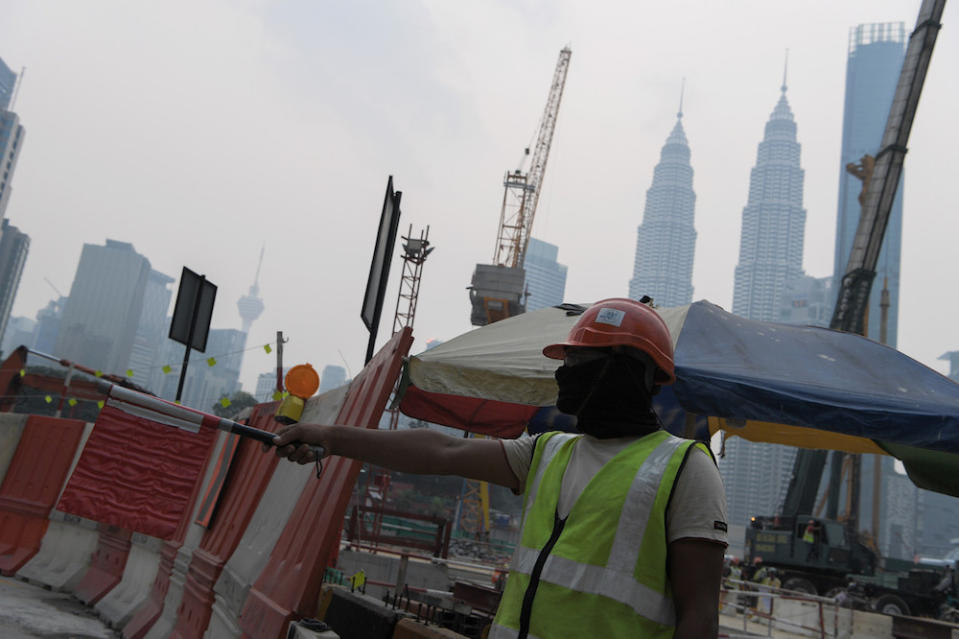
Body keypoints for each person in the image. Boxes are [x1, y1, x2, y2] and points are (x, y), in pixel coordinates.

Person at [270, 298, 728, 638]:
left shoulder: (684, 468)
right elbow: (440, 452)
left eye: (578, 362)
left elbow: (700, 616)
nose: (563, 375)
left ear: (627, 372)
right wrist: (330, 438)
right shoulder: (549, 452)